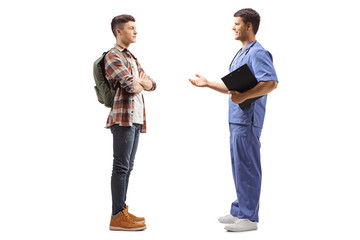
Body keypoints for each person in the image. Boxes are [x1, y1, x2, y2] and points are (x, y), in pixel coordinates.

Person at [189, 8, 278, 232]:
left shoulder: (258, 53)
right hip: (237, 119)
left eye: (237, 23)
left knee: (247, 166)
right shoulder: (242, 53)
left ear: (249, 26)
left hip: (248, 120)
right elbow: (233, 88)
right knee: (239, 166)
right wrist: (208, 83)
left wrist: (246, 96)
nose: (233, 27)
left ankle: (249, 217)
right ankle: (240, 209)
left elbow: (271, 83)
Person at [105, 14, 156, 231]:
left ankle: (122, 210)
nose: (136, 32)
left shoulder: (132, 58)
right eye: (131, 28)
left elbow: (152, 83)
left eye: (136, 28)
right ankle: (117, 215)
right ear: (119, 31)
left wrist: (142, 82)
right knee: (121, 166)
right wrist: (140, 82)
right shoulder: (112, 56)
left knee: (128, 167)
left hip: (135, 119)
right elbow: (129, 85)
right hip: (123, 119)